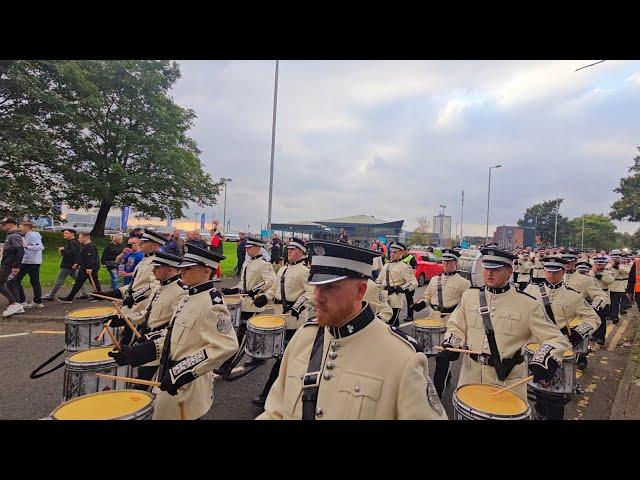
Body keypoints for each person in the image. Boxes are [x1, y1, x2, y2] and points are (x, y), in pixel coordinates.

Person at [257, 239, 447, 420]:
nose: (317, 297)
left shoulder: (403, 359)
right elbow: (275, 411)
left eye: (330, 287)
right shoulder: (303, 338)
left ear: (360, 291)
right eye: (315, 286)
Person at [108, 244, 238, 419]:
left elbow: (226, 345)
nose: (181, 271)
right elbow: (174, 337)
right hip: (169, 378)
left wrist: (181, 372)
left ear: (206, 271)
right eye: (182, 267)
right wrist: (139, 353)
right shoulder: (188, 297)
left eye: (188, 268)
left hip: (187, 387)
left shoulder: (212, 304)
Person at [437, 246, 571, 410]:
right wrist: (452, 343)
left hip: (507, 379)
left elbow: (556, 339)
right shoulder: (470, 296)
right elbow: (456, 325)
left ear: (509, 271)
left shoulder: (527, 304)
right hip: (469, 375)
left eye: (497, 269)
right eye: (487, 268)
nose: (489, 273)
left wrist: (544, 359)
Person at [250, 237, 315, 407]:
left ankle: (267, 394)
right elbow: (273, 289)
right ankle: (287, 392)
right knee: (285, 358)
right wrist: (264, 298)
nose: (289, 252)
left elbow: (311, 293)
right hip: (279, 318)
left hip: (294, 320)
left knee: (283, 359)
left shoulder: (305, 271)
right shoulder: (282, 269)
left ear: (301, 252)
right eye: (288, 249)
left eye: (293, 250)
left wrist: (297, 307)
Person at [113, 251, 187, 387]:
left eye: (157, 267)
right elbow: (145, 314)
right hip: (146, 340)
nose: (153, 270)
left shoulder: (181, 292)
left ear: (170, 269)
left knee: (143, 387)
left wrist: (150, 339)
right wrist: (123, 318)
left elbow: (177, 327)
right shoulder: (159, 287)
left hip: (161, 346)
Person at [524, 256, 600, 375]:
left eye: (556, 271)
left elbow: (594, 318)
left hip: (557, 346)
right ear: (544, 271)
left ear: (563, 272)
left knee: (553, 386)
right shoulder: (531, 289)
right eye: (549, 271)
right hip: (531, 342)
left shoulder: (574, 296)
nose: (551, 274)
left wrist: (578, 332)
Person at [411, 248, 471, 398]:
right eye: (444, 261)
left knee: (442, 359)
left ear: (455, 263)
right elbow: (428, 298)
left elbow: (466, 306)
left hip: (451, 323)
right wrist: (420, 305)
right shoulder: (434, 280)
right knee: (424, 354)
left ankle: (437, 394)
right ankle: (423, 384)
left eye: (449, 261)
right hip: (432, 321)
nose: (445, 263)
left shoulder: (464, 283)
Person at [220, 236, 276, 371]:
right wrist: (232, 289)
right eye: (246, 248)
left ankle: (227, 365)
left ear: (257, 248)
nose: (247, 250)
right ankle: (254, 358)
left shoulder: (264, 264)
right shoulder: (246, 264)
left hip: (254, 304)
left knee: (244, 334)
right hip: (244, 303)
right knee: (244, 333)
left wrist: (255, 289)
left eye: (249, 248)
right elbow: (243, 284)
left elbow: (270, 281)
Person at [376, 242, 418, 327]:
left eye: (395, 252)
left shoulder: (405, 267)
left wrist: (399, 288)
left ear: (401, 252)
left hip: (395, 297)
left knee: (393, 323)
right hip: (383, 297)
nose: (392, 254)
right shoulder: (386, 265)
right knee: (382, 323)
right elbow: (379, 280)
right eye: (391, 252)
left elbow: (413, 283)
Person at [42, 229, 90, 301]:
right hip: (73, 265)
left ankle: (51, 295)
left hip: (68, 265)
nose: (64, 234)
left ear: (72, 234)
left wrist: (62, 250)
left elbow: (71, 253)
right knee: (78, 280)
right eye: (64, 233)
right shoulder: (74, 242)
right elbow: (74, 253)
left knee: (59, 279)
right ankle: (85, 293)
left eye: (66, 233)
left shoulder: (73, 242)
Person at [57, 233, 101, 303]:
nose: (78, 239)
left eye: (80, 238)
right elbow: (83, 257)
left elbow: (91, 258)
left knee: (93, 282)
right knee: (80, 283)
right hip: (85, 267)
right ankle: (69, 298)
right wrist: (77, 263)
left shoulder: (90, 247)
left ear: (85, 238)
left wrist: (89, 268)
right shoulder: (86, 246)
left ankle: (99, 296)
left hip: (89, 268)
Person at [15, 220, 45, 308]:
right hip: (32, 261)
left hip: (29, 262)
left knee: (15, 280)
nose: (19, 229)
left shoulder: (33, 235)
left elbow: (40, 247)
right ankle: (37, 301)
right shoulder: (27, 235)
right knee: (34, 281)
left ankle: (22, 301)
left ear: (26, 227)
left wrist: (26, 246)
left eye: (20, 226)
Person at [0, 217, 24, 317]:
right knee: (11, 283)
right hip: (8, 264)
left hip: (9, 265)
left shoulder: (14, 236)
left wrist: (16, 266)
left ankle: (14, 303)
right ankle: (17, 304)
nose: (1, 226)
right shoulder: (10, 236)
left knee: (0, 283)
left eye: (3, 224)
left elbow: (20, 251)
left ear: (10, 224)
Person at [590, 256, 614, 345]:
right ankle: (594, 334)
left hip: (603, 296)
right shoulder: (590, 272)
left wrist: (597, 275)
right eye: (597, 263)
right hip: (592, 297)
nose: (599, 265)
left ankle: (601, 337)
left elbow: (609, 281)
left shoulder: (608, 272)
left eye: (601, 263)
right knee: (593, 317)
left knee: (602, 318)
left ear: (604, 264)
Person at [608, 250, 629, 325]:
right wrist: (612, 265)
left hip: (618, 285)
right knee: (608, 302)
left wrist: (617, 266)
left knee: (615, 302)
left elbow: (626, 271)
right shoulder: (608, 264)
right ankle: (610, 314)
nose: (616, 259)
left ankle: (614, 316)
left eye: (617, 257)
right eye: (614, 257)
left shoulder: (622, 265)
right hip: (609, 285)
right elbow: (606, 270)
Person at [400, 246, 418, 321]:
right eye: (402, 250)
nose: (404, 252)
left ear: (408, 250)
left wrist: (410, 281)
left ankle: (410, 316)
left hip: (409, 283)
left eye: (405, 250)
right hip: (400, 282)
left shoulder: (411, 258)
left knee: (409, 300)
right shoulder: (400, 257)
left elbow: (414, 270)